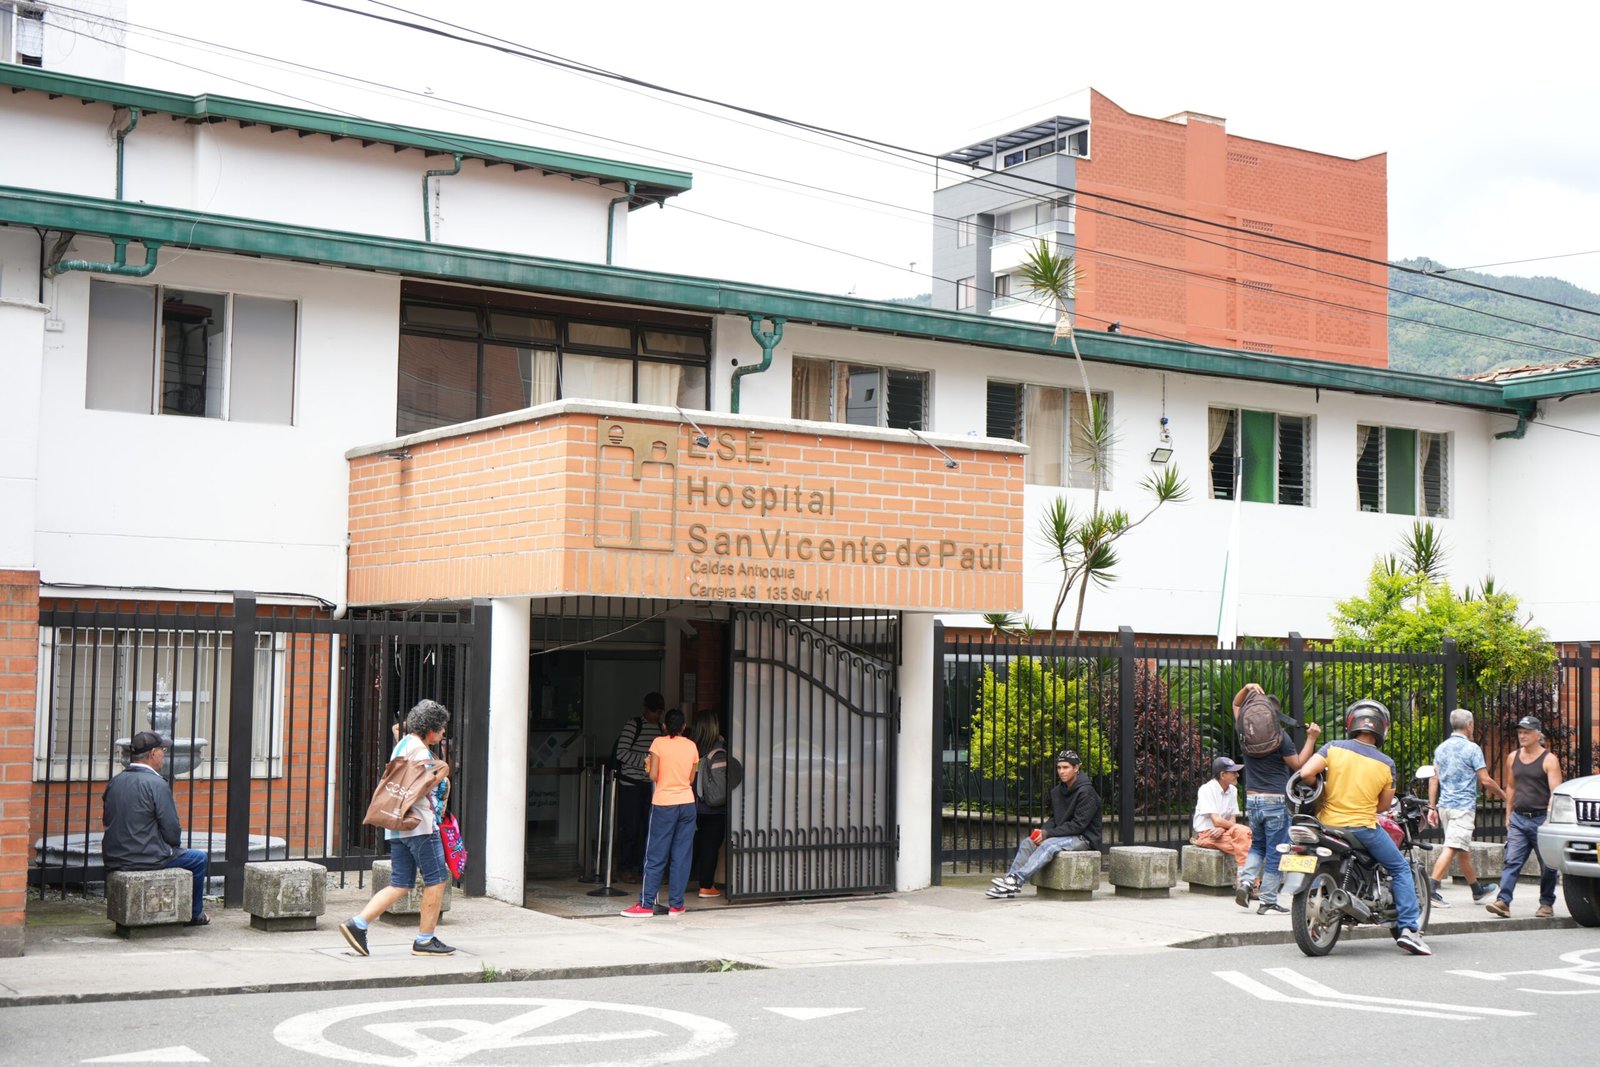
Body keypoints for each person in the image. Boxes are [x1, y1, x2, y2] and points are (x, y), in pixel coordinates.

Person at [1296, 699, 1430, 956]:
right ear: (1382, 728)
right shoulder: (1386, 764)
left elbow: (1305, 774)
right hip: (1361, 827)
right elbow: (1382, 807)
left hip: (1325, 825)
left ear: (1352, 724)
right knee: (1401, 868)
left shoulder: (1333, 748)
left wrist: (1322, 790)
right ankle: (1410, 931)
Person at [340, 699, 454, 957]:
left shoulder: (403, 744)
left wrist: (417, 721)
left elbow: (397, 728)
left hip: (397, 827)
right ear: (431, 729)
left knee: (400, 883)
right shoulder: (421, 753)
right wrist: (442, 772)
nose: (444, 733)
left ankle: (357, 924)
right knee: (437, 880)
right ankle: (425, 940)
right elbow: (421, 787)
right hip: (419, 825)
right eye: (441, 728)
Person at [101, 731, 210, 927]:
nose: (164, 755)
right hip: (147, 858)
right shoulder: (157, 784)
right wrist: (172, 846)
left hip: (115, 857)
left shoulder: (115, 782)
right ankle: (195, 914)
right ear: (153, 753)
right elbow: (172, 830)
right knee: (199, 859)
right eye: (162, 750)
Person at [1234, 683, 1320, 915]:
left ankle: (1246, 882)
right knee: (1275, 850)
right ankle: (1268, 900)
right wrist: (1311, 738)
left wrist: (1247, 687)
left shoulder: (1244, 731)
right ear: (1275, 714)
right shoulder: (1281, 737)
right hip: (1275, 800)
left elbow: (1236, 703)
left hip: (1252, 799)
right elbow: (1299, 766)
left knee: (1257, 845)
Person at [987, 750, 1102, 899]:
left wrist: (1048, 835)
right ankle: (1009, 884)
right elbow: (1055, 819)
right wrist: (1042, 832)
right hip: (1065, 835)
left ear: (1076, 768)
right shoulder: (1057, 791)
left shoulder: (1087, 792)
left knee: (1049, 845)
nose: (1061, 771)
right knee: (1029, 842)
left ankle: (1017, 879)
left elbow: (1078, 825)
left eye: (1066, 767)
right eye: (1059, 767)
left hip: (1084, 838)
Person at [1424, 708, 1504, 908]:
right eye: (1473, 724)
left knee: (1463, 849)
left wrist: (1432, 807)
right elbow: (1484, 780)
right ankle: (1431, 889)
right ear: (1469, 725)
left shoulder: (1441, 748)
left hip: (1444, 807)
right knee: (1452, 847)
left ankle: (1477, 890)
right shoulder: (1472, 749)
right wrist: (1504, 795)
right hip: (1462, 808)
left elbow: (1434, 779)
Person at [623, 709, 699, 917]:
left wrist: (650, 767)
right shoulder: (692, 746)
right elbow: (691, 780)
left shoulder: (658, 743)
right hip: (687, 804)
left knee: (655, 854)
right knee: (681, 855)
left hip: (664, 803)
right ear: (684, 726)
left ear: (664, 726)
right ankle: (677, 904)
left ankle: (646, 904)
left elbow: (654, 774)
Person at [1488, 715, 1563, 919]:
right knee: (1511, 860)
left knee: (1548, 865)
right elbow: (1511, 786)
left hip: (1542, 819)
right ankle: (1503, 901)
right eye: (1520, 732)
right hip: (1519, 819)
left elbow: (1555, 793)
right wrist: (1508, 813)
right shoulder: (1513, 757)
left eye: (1527, 732)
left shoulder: (1549, 760)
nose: (1522, 735)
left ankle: (1546, 903)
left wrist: (1549, 818)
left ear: (1538, 734)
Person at [612, 692, 665, 882]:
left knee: (647, 829)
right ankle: (625, 867)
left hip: (650, 786)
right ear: (645, 708)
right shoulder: (633, 725)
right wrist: (647, 761)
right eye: (653, 711)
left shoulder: (661, 728)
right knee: (630, 828)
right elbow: (621, 753)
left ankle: (642, 867)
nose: (656, 715)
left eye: (659, 711)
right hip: (631, 784)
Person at [686, 707, 728, 899]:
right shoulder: (719, 750)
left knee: (693, 845)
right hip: (714, 809)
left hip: (692, 805)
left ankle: (684, 880)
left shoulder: (691, 747)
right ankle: (706, 886)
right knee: (710, 846)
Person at [1193, 756, 1253, 877]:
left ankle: (1243, 878)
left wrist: (1223, 828)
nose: (1237, 775)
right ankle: (1250, 883)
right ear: (1222, 775)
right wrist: (1241, 828)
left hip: (1225, 832)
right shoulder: (1206, 789)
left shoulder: (1233, 790)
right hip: (1209, 832)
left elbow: (1232, 818)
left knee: (1244, 842)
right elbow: (1216, 820)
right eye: (1234, 772)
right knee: (1249, 845)